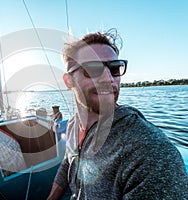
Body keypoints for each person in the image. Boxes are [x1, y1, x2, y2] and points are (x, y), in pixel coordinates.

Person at [47, 29, 188, 199]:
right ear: (69, 80)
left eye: (114, 68)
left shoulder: (149, 152)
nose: (108, 78)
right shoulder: (73, 125)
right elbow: (69, 163)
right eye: (93, 68)